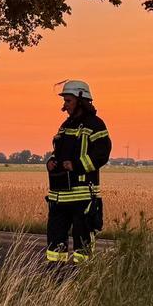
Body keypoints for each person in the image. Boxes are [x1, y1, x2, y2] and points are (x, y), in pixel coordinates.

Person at [45, 80, 110, 265]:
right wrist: (51, 161)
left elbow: (101, 155)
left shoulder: (96, 125)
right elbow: (57, 152)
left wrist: (76, 165)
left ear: (81, 100)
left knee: (83, 245)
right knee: (55, 246)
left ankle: (82, 279)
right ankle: (55, 279)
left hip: (83, 197)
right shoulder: (65, 126)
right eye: (64, 101)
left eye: (68, 101)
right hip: (59, 198)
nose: (64, 106)